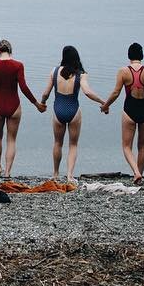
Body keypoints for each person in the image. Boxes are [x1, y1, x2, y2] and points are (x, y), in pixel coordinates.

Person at [98, 43, 144, 184]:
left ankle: (136, 172)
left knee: (127, 146)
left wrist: (105, 106)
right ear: (142, 55)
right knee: (142, 146)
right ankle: (139, 176)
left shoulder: (123, 71)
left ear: (129, 55)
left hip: (129, 110)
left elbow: (115, 93)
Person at [0, 39, 44, 178]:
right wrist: (36, 104)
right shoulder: (18, 65)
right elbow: (23, 87)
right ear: (10, 50)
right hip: (14, 105)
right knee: (11, 140)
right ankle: (8, 172)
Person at [39, 45, 106, 183]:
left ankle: (56, 174)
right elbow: (87, 92)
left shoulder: (55, 71)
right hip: (73, 110)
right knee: (73, 144)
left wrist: (42, 103)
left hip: (58, 110)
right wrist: (103, 102)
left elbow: (46, 93)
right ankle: (69, 175)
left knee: (58, 143)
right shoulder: (81, 74)